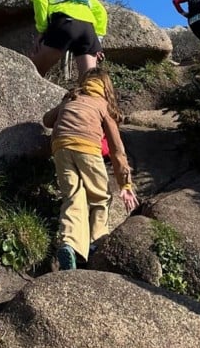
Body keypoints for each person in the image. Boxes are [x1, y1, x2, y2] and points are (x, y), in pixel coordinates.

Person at [42, 68, 139, 270]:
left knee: (73, 196)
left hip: (61, 148)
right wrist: (125, 184)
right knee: (100, 198)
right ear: (106, 87)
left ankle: (70, 244)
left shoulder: (71, 98)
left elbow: (47, 120)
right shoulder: (102, 105)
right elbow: (116, 149)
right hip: (88, 149)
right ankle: (96, 244)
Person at [27, 0, 108, 78]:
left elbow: (39, 0)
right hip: (88, 29)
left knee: (33, 74)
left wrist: (42, 30)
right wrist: (98, 39)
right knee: (89, 82)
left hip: (64, 23)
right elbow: (100, 11)